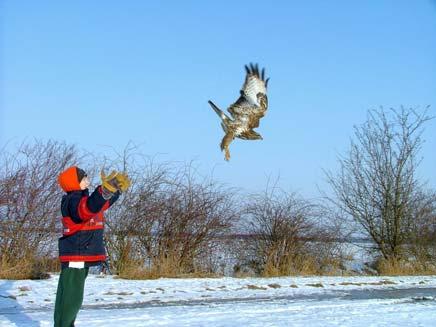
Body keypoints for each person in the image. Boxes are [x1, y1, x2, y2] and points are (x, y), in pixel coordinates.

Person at [54, 166, 130, 327]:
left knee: (71, 296)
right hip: (76, 256)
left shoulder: (83, 199)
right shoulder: (73, 201)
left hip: (82, 254)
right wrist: (103, 191)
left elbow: (99, 205)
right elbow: (86, 209)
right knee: (71, 298)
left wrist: (115, 190)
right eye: (84, 178)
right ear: (74, 182)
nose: (88, 180)